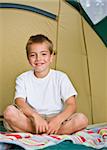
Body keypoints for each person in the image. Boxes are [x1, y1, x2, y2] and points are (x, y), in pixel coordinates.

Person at [3, 34, 88, 135]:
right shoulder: (22, 78)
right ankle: (48, 132)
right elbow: (19, 102)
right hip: (32, 119)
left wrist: (58, 120)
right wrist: (35, 117)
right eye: (33, 55)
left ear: (51, 57)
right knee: (9, 112)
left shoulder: (61, 77)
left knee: (82, 119)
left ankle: (42, 131)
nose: (38, 58)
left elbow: (72, 105)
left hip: (55, 119)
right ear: (28, 58)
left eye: (43, 54)